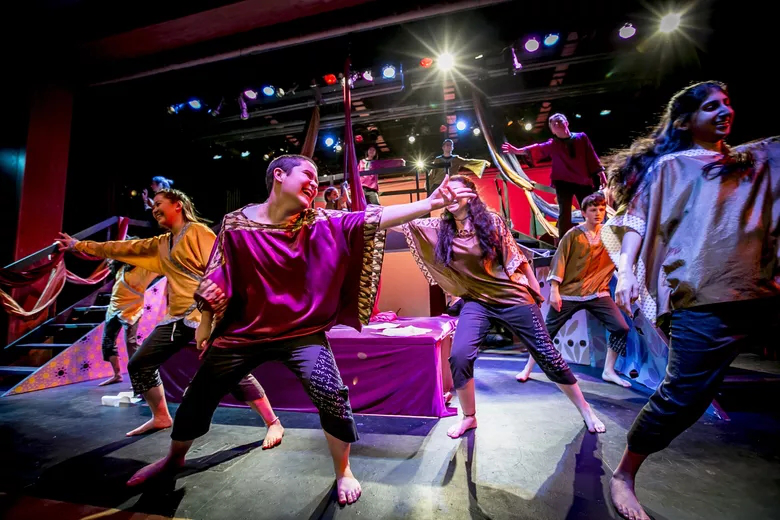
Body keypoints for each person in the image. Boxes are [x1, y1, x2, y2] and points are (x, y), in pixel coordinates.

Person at [123, 155, 476, 505]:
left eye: (316, 178)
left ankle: (343, 470)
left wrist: (429, 203)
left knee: (331, 395)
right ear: (279, 175)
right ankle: (174, 459)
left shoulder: (319, 220)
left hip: (301, 334)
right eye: (308, 173)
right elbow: (218, 271)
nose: (315, 183)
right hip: (242, 334)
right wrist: (205, 321)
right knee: (198, 397)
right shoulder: (235, 223)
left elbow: (373, 217)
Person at [601, 81, 779, 520]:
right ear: (685, 121)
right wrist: (627, 272)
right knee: (684, 397)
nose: (724, 111)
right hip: (701, 294)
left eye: (727, 103)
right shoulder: (670, 168)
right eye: (711, 106)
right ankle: (624, 474)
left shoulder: (751, 162)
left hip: (761, 288)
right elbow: (637, 220)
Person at [56, 189, 284, 449]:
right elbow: (121, 247)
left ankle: (273, 422)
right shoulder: (161, 244)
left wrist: (216, 317)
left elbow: (221, 270)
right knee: (140, 363)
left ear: (178, 205)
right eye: (153, 206)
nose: (154, 209)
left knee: (230, 370)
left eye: (159, 203)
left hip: (206, 315)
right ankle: (161, 416)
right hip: (176, 318)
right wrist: (78, 245)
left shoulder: (198, 233)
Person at [400, 174, 606, 440]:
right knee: (459, 356)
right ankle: (469, 417)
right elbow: (399, 222)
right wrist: (427, 202)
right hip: (477, 301)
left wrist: (534, 288)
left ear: (470, 196)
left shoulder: (490, 221)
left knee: (547, 354)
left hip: (511, 296)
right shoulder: (440, 228)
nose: (450, 196)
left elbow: (516, 257)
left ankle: (586, 409)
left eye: (456, 191)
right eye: (446, 192)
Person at [515, 192, 631, 388]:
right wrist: (554, 290)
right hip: (570, 293)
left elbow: (620, 256)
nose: (598, 213)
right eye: (593, 210)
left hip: (597, 292)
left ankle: (609, 370)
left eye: (601, 209)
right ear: (584, 213)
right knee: (546, 333)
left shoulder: (609, 235)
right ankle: (528, 368)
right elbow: (559, 261)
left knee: (621, 328)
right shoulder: (573, 235)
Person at [502, 114, 605, 240]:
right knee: (564, 213)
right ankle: (563, 241)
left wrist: (601, 173)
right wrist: (517, 151)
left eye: (559, 121)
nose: (557, 124)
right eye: (553, 124)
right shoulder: (553, 144)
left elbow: (591, 156)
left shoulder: (581, 137)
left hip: (582, 180)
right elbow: (537, 148)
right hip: (563, 182)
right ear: (552, 131)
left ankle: (595, 237)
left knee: (589, 209)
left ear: (566, 123)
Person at [98, 251, 158, 386]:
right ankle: (117, 375)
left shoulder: (145, 269)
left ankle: (138, 378)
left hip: (131, 309)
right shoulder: (122, 266)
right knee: (107, 342)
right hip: (114, 308)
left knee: (131, 344)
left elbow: (161, 267)